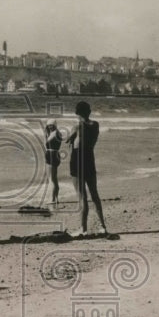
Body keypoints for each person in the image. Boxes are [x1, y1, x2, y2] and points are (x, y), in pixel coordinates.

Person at [65, 101, 108, 236]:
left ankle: (83, 229)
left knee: (82, 196)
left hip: (77, 159)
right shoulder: (95, 125)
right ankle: (102, 226)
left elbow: (69, 142)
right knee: (94, 194)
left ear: (77, 113)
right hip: (89, 157)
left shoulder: (77, 126)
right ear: (89, 112)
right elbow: (91, 142)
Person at [44, 121, 63, 207]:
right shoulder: (54, 133)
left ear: (55, 125)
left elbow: (48, 142)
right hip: (53, 155)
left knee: (51, 179)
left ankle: (52, 199)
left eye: (51, 125)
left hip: (52, 155)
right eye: (49, 125)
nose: (50, 126)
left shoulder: (55, 133)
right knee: (54, 178)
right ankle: (56, 198)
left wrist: (46, 134)